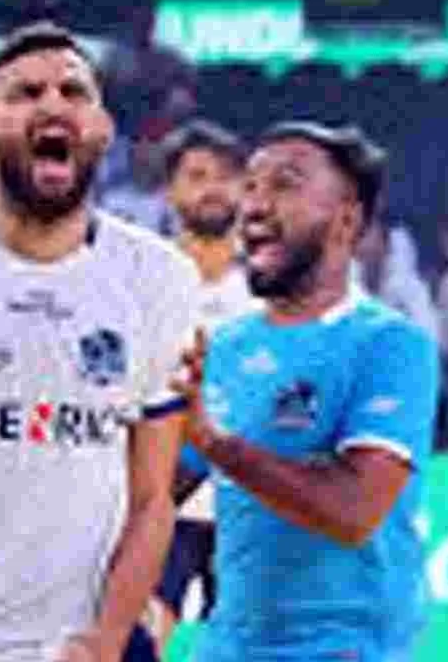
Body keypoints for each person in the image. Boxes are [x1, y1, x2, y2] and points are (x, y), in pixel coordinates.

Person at [0, 21, 199, 661]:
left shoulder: (159, 278)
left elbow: (152, 500)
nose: (52, 106)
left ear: (102, 128)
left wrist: (106, 639)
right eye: (25, 93)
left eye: (73, 92)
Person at [171, 121, 441, 661]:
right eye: (251, 186)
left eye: (284, 184)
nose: (254, 205)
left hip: (346, 649)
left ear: (347, 219)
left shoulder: (390, 345)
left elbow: (354, 511)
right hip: (226, 646)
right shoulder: (224, 346)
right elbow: (155, 493)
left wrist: (217, 444)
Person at [149, 119, 259, 652]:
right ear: (170, 191)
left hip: (250, 508)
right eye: (196, 176)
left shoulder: (276, 285)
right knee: (138, 642)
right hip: (160, 506)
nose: (212, 188)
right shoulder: (143, 281)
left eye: (225, 176)